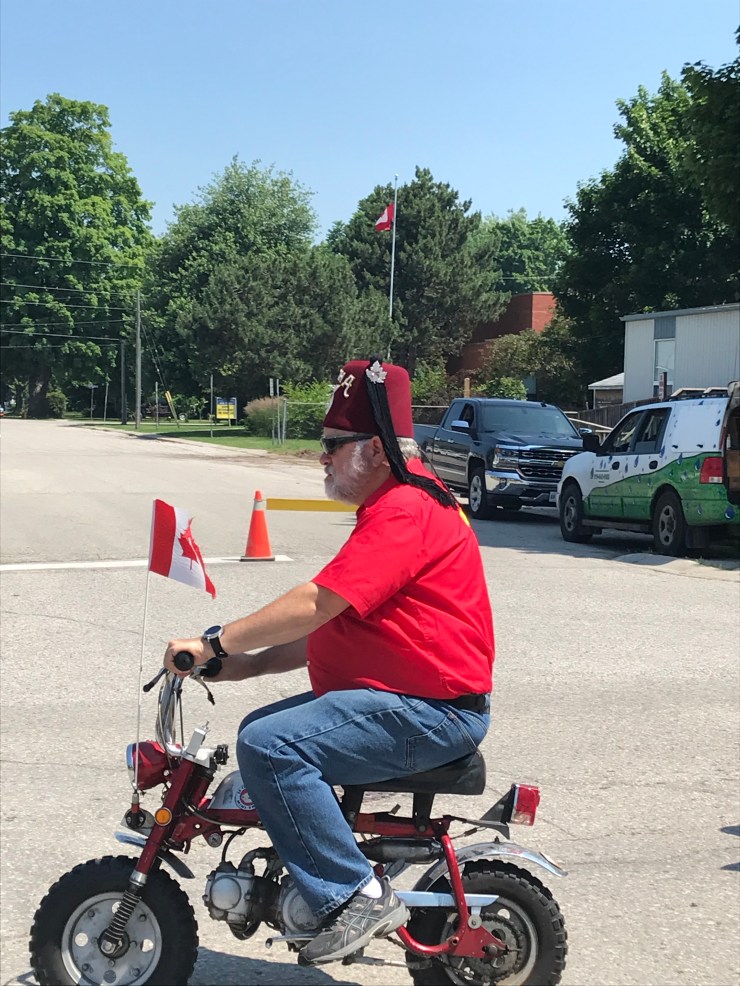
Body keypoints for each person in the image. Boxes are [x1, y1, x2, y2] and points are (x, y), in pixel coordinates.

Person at [163, 357, 495, 965]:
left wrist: (215, 642)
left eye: (332, 444)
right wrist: (245, 665)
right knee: (263, 730)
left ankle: (354, 896)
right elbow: (336, 626)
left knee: (270, 746)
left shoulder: (406, 510)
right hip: (413, 700)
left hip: (432, 712)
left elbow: (316, 604)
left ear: (376, 449)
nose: (322, 457)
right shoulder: (398, 504)